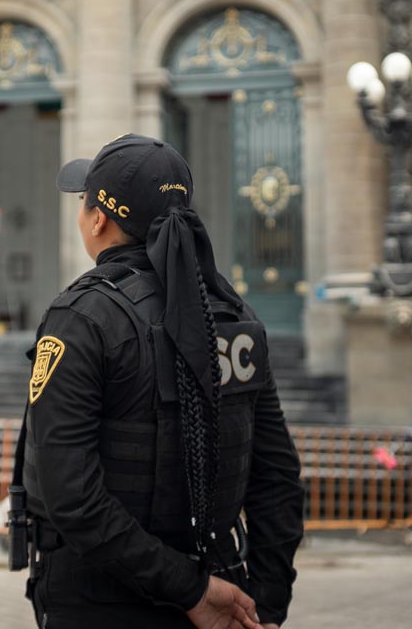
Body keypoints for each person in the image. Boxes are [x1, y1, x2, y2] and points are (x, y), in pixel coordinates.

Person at [18, 134, 304, 629]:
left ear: (98, 218)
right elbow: (277, 477)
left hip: (103, 603)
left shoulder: (82, 318)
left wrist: (191, 592)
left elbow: (73, 499)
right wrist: (264, 607)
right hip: (221, 592)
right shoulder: (235, 316)